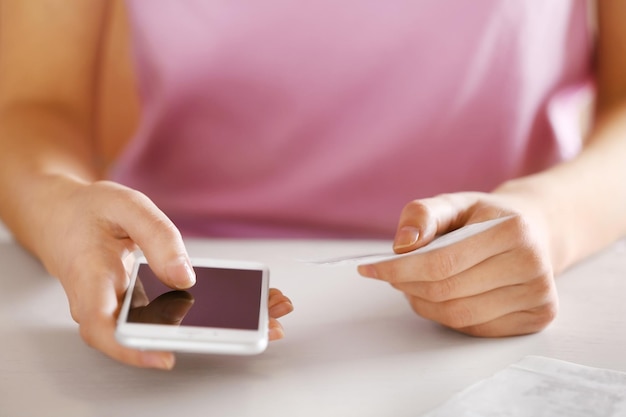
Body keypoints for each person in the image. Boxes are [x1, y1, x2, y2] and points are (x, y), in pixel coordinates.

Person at [0, 0, 624, 370]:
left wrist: (546, 221)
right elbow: (30, 106)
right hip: (161, 264)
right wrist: (62, 209)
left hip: (510, 303)